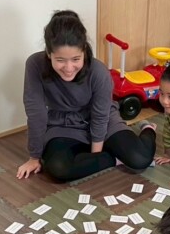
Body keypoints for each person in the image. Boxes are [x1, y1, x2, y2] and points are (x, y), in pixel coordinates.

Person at [17, 10, 156, 182]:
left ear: (84, 51)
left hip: (103, 121)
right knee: (58, 169)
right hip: (62, 125)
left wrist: (95, 155)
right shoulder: (34, 65)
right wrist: (34, 157)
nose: (69, 68)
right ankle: (114, 158)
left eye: (76, 59)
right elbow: (36, 113)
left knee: (140, 160)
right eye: (60, 60)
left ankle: (148, 129)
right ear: (48, 53)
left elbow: (100, 115)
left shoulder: (99, 72)